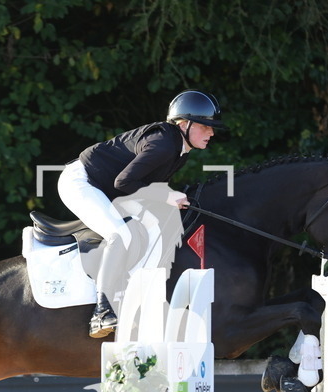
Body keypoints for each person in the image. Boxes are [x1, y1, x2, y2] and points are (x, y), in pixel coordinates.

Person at [58, 90, 225, 337]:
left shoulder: (179, 150)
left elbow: (141, 190)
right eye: (204, 126)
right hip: (82, 183)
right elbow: (123, 182)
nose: (211, 132)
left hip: (106, 188)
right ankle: (102, 312)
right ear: (184, 124)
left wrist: (168, 199)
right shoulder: (164, 144)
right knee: (120, 235)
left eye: (212, 127)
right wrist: (167, 196)